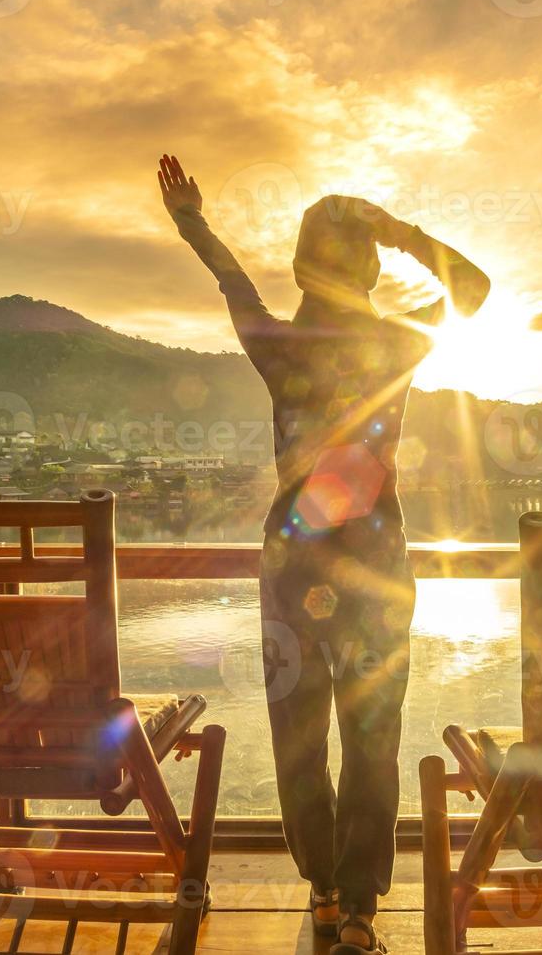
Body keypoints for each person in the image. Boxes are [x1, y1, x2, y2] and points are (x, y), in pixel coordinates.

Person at [159, 154, 489, 954]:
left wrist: (193, 221)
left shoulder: (276, 341)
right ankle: (360, 910)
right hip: (377, 569)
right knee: (373, 737)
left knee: (298, 735)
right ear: (371, 268)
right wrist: (398, 230)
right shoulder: (402, 344)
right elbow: (473, 288)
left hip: (291, 567)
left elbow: (233, 282)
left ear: (303, 264)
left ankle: (323, 891)